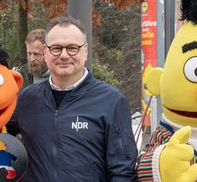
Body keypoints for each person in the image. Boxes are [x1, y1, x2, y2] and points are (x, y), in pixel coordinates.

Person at [12, 16, 137, 181]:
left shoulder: (111, 100)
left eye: (72, 48)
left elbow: (123, 171)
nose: (64, 55)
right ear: (45, 51)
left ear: (85, 50)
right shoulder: (26, 99)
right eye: (56, 48)